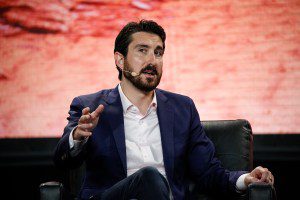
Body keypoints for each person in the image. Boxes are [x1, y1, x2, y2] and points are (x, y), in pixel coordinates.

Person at [54, 19, 274, 200]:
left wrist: (246, 179)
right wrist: (78, 138)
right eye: (142, 51)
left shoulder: (182, 109)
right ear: (120, 60)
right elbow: (63, 159)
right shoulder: (90, 106)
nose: (152, 60)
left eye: (158, 53)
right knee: (149, 176)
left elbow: (208, 173)